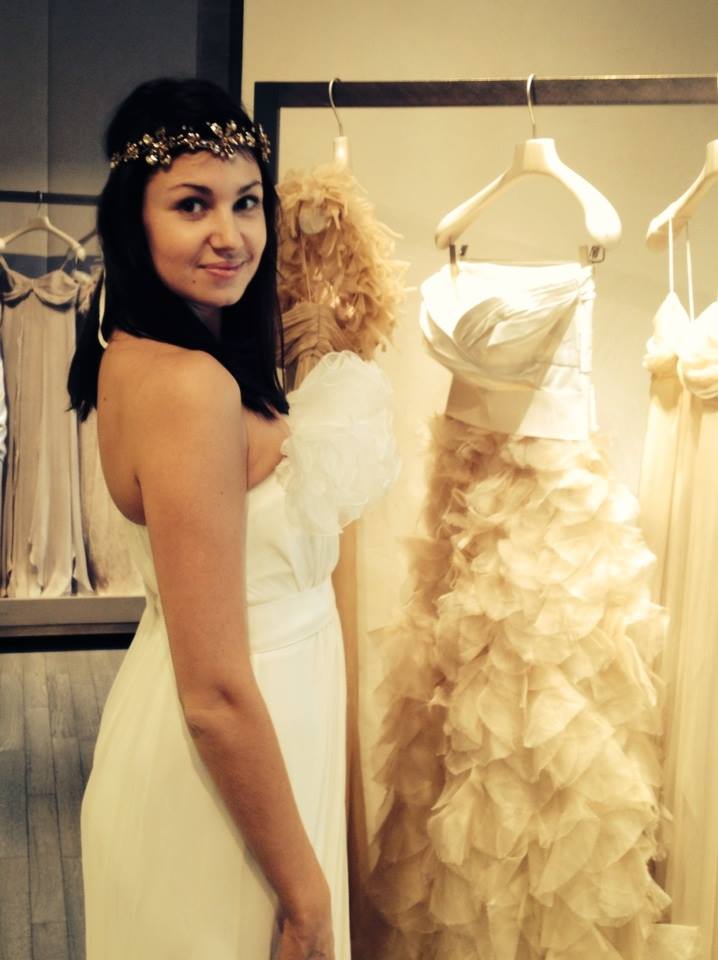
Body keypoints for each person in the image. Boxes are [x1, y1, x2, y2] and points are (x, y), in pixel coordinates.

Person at [68, 77, 398, 960]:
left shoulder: (147, 348)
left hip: (261, 732)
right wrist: (307, 895)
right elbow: (214, 693)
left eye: (247, 201)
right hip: (228, 757)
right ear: (133, 219)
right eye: (192, 204)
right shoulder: (189, 387)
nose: (231, 234)